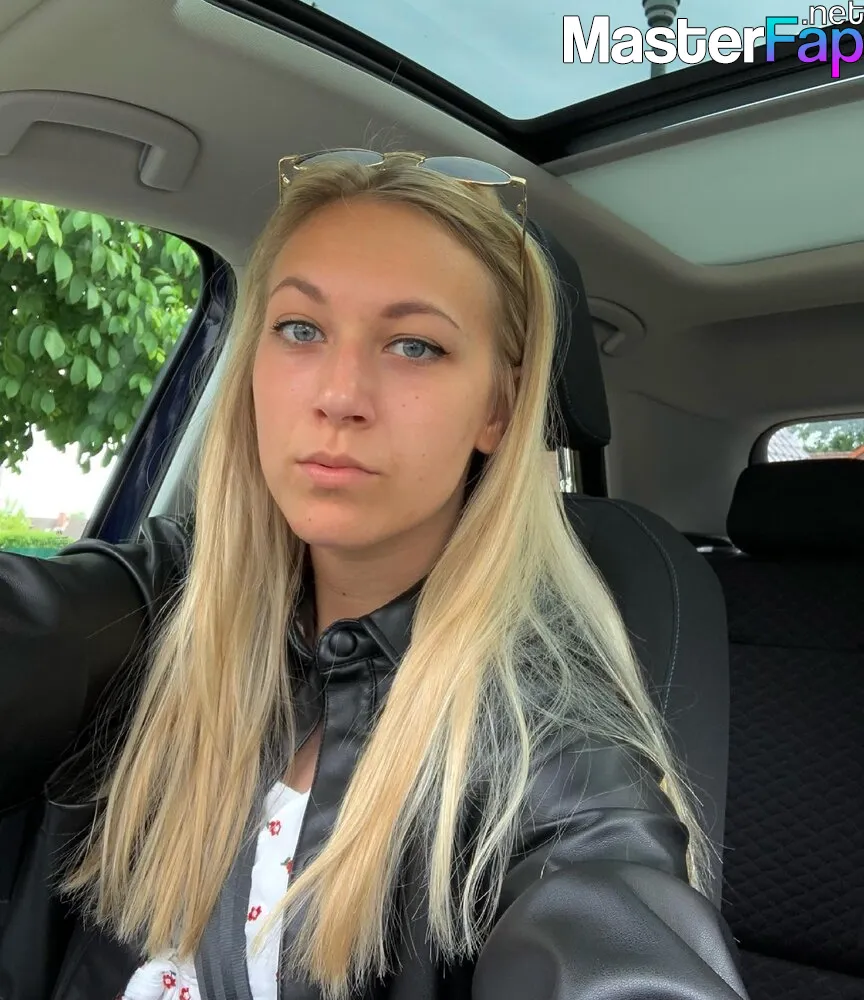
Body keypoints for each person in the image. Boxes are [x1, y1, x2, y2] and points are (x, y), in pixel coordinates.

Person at [0, 150, 749, 1000]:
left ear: (498, 409)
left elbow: (614, 930)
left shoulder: (549, 752)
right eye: (300, 330)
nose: (339, 393)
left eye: (414, 345)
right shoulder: (166, 601)